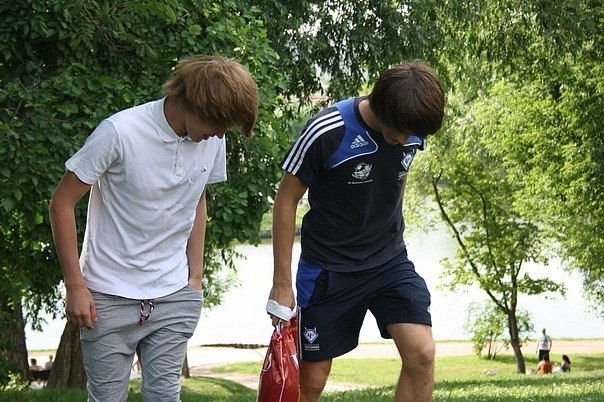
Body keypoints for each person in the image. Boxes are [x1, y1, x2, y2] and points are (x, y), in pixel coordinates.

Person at [49, 55, 258, 402]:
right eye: (217, 123)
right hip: (108, 297)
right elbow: (61, 203)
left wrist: (194, 280)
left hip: (174, 294)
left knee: (164, 397)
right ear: (191, 101)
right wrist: (75, 287)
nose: (221, 134)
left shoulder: (212, 139)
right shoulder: (119, 132)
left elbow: (197, 200)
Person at [267, 60, 445, 402]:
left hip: (388, 261)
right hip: (328, 270)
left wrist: (389, 225)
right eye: (402, 132)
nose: (408, 141)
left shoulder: (410, 127)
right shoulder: (327, 131)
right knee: (311, 383)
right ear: (381, 107)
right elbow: (286, 200)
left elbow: (397, 174)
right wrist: (282, 284)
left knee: (422, 353)